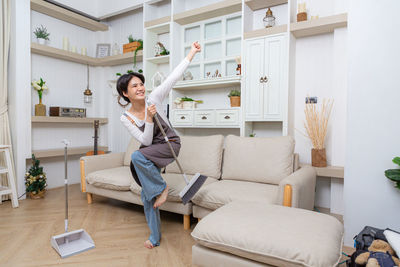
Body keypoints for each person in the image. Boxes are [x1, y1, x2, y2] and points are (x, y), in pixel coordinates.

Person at [117, 41, 201, 249]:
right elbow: (145, 141)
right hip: (150, 151)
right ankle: (155, 236)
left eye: (141, 83)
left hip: (169, 143)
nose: (140, 88)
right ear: (125, 93)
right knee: (148, 195)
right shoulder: (126, 117)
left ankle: (162, 187)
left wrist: (191, 52)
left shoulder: (154, 98)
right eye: (134, 86)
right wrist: (148, 118)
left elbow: (173, 77)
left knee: (136, 157)